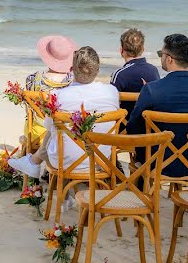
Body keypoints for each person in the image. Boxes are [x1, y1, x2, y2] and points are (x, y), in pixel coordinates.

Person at [10, 46, 120, 179]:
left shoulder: (58, 96)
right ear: (97, 70)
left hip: (64, 162)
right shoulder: (112, 92)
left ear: (71, 69)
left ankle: (33, 162)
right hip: (103, 160)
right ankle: (34, 163)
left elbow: (48, 127)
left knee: (52, 131)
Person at [126, 34, 188, 177]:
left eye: (162, 54)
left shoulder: (151, 89)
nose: (161, 57)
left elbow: (133, 128)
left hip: (155, 162)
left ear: (169, 59)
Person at [23, 35, 77, 148]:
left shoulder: (32, 79)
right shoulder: (75, 82)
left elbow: (29, 110)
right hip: (67, 135)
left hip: (38, 135)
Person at [110, 28, 160, 116]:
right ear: (143, 49)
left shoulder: (119, 74)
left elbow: (111, 103)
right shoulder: (153, 70)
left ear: (121, 50)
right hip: (148, 124)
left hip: (125, 125)